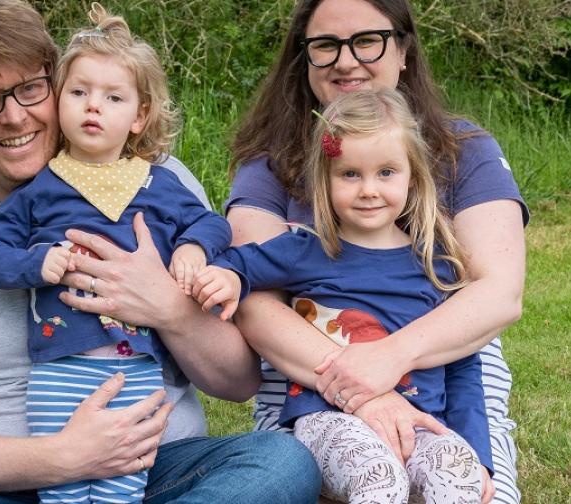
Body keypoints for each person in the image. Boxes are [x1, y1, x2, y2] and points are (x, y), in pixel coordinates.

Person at [0, 0, 321, 502]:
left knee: (281, 463)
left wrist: (168, 306)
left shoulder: (159, 184)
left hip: (158, 471)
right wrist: (60, 457)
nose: (15, 117)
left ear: (54, 84)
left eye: (29, 89)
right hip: (0, 484)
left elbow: (238, 382)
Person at [226, 1, 528, 503]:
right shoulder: (271, 163)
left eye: (367, 40)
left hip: (440, 369)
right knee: (359, 479)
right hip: (307, 381)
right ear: (304, 59)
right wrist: (364, 393)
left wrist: (390, 359)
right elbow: (254, 301)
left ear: (404, 50)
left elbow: (497, 294)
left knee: (467, 485)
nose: (346, 61)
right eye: (325, 46)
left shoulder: (464, 150)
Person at [0, 4, 232, 502]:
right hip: (59, 368)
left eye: (113, 97)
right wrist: (34, 264)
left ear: (139, 117)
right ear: (58, 103)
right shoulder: (41, 190)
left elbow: (212, 222)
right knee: (63, 489)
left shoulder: (158, 182)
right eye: (80, 92)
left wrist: (194, 247)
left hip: (138, 369)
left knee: (124, 487)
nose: (94, 106)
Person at [195, 89, 493, 503]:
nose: (369, 189)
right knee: (380, 478)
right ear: (325, 180)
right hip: (327, 420)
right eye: (350, 174)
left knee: (459, 475)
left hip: (419, 422)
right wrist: (226, 278)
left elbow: (462, 369)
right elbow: (241, 264)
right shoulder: (304, 249)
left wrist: (478, 455)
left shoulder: (436, 266)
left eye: (387, 172)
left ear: (413, 176)